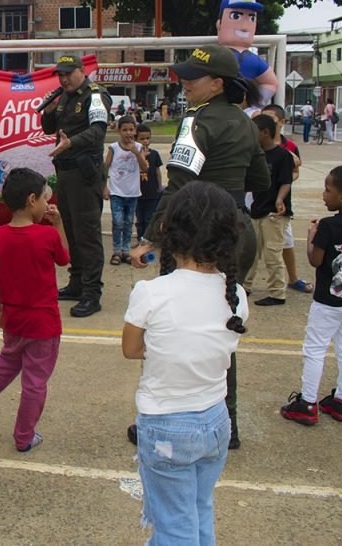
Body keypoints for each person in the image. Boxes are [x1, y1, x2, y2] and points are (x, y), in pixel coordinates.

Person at [129, 44, 270, 450]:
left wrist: (150, 240)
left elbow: (178, 188)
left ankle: (165, 419)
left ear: (217, 84)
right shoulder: (246, 123)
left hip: (193, 235)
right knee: (221, 328)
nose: (184, 83)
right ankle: (228, 423)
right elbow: (259, 181)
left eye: (192, 77)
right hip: (235, 234)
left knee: (169, 332)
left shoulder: (196, 122)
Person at [123, 181, 247, 546]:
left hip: (167, 425)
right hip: (215, 420)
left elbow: (132, 349)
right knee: (198, 508)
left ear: (165, 230)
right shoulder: (235, 294)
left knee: (174, 526)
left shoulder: (150, 293)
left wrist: (165, 345)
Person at [0, 168, 68, 452]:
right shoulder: (46, 236)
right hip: (43, 323)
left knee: (4, 366)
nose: (46, 204)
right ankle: (24, 436)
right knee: (35, 382)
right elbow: (65, 258)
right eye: (43, 198)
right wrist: (59, 223)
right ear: (31, 200)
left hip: (12, 318)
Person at [280, 166, 342, 425]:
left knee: (315, 350)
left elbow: (315, 260)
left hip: (327, 302)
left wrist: (312, 238)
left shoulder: (328, 226)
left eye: (328, 190)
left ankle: (308, 403)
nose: (324, 195)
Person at [40, 55, 112, 318]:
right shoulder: (64, 97)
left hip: (85, 174)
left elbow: (98, 132)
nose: (63, 79)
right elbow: (51, 129)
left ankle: (92, 294)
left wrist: (73, 143)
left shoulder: (95, 95)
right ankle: (77, 283)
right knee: (70, 230)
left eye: (69, 73)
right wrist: (48, 112)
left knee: (87, 235)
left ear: (82, 71)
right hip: (66, 173)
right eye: (60, 74)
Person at [260, 105, 311, 296]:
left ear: (281, 123)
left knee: (285, 242)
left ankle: (293, 278)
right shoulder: (255, 144)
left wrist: (284, 182)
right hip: (258, 200)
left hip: (279, 204)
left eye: (271, 120)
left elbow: (295, 171)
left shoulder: (289, 148)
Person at [247, 114, 294, 307]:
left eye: (254, 132)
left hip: (274, 213)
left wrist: (279, 199)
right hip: (256, 209)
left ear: (265, 133)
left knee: (272, 253)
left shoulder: (282, 156)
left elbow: (286, 181)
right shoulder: (255, 155)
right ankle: (245, 286)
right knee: (251, 252)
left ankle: (277, 292)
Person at [104, 115, 148, 265]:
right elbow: (105, 167)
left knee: (129, 222)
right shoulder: (113, 148)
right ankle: (116, 251)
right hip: (117, 192)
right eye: (125, 130)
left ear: (135, 131)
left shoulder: (139, 147)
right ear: (119, 131)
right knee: (117, 221)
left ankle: (126, 250)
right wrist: (104, 186)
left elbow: (145, 167)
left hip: (133, 192)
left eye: (131, 130)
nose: (128, 133)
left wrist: (136, 152)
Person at [135, 124, 164, 244]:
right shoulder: (134, 155)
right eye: (142, 139)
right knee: (139, 219)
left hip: (152, 192)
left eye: (148, 138)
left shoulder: (155, 154)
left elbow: (157, 171)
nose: (145, 141)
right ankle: (139, 239)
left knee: (149, 218)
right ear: (136, 139)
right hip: (137, 193)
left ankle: (146, 241)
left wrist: (159, 186)